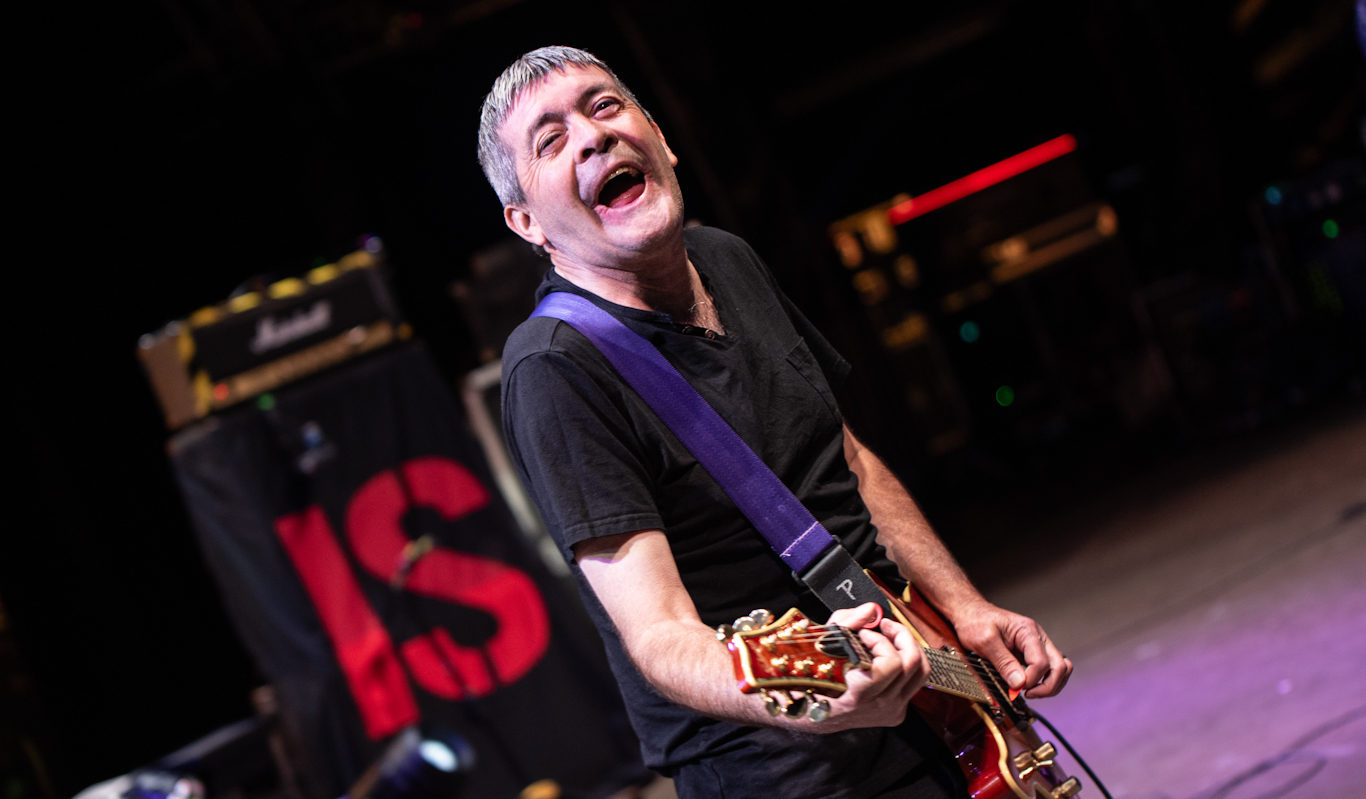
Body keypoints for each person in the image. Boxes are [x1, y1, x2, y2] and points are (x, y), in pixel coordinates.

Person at [479, 46, 1072, 798]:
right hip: (789, 769)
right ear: (527, 222)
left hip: (928, 698)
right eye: (551, 139)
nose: (593, 136)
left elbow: (846, 459)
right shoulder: (556, 369)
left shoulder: (724, 258)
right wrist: (802, 698)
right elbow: (659, 634)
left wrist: (962, 609)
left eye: (603, 106)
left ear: (660, 138)